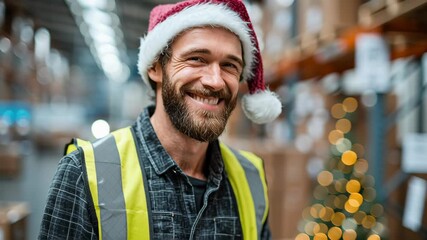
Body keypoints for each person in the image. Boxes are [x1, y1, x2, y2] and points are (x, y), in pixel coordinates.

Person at [38, 0, 282, 239]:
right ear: (155, 67)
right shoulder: (84, 173)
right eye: (197, 58)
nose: (215, 80)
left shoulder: (251, 178)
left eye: (229, 65)